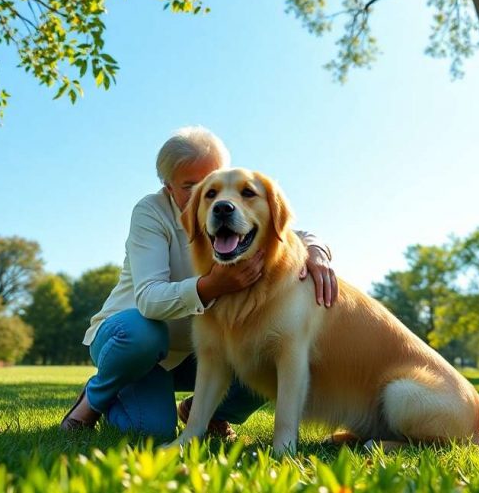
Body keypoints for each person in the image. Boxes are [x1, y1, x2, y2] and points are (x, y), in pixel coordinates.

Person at [60, 126, 337, 440]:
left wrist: (316, 250)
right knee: (148, 426)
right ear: (168, 187)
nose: (210, 194)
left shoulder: (235, 208)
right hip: (134, 344)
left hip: (196, 352)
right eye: (190, 186)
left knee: (270, 352)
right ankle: (97, 395)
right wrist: (212, 286)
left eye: (215, 179)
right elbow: (149, 301)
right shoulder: (150, 213)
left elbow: (288, 231)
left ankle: (208, 414)